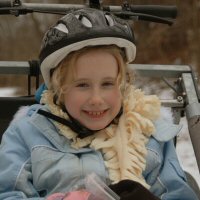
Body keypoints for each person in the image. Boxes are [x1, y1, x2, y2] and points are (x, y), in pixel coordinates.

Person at [0, 8, 198, 200]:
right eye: (82, 85)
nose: (96, 99)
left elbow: (178, 194)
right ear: (60, 88)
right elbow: (7, 193)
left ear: (122, 84)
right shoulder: (26, 133)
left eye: (107, 84)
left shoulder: (149, 134)